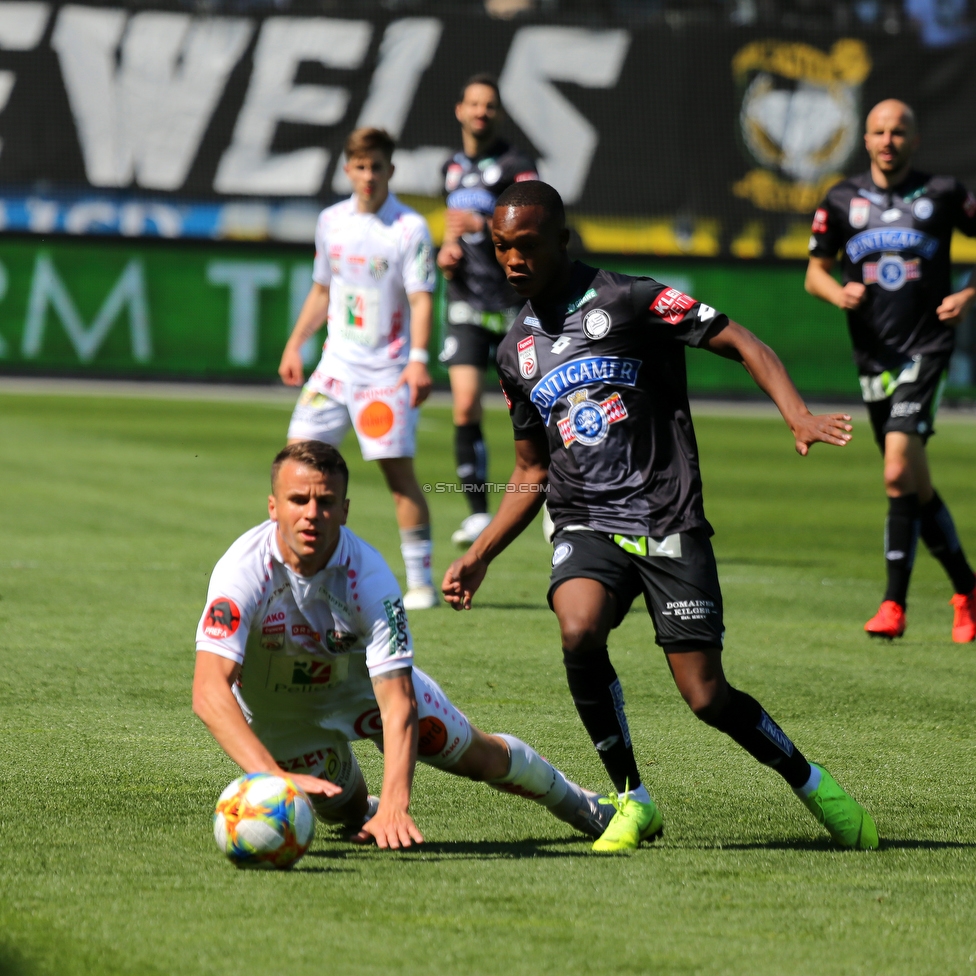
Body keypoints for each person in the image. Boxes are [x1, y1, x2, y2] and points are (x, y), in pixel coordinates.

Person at [442, 180, 879, 853]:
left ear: (562, 241)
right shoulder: (514, 351)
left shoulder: (632, 298)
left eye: (526, 246)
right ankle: (632, 798)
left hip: (666, 516)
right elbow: (531, 470)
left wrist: (797, 413)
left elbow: (740, 339)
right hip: (584, 519)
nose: (512, 261)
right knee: (579, 626)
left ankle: (810, 779)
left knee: (706, 698)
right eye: (502, 249)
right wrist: (481, 555)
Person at [192, 441, 613, 850]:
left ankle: (583, 805)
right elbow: (210, 691)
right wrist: (270, 778)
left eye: (325, 502)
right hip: (283, 719)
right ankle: (361, 806)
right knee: (343, 810)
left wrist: (397, 803)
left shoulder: (368, 577)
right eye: (298, 500)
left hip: (364, 698)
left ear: (344, 509)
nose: (311, 514)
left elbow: (396, 701)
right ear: (273, 507)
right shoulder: (242, 570)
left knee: (476, 757)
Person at [806, 99, 976, 642]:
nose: (888, 140)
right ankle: (967, 589)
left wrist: (968, 293)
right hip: (873, 359)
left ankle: (892, 605)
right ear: (865, 138)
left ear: (915, 139)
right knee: (914, 485)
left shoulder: (945, 193)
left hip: (926, 348)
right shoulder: (840, 197)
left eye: (899, 131)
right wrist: (839, 292)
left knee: (898, 468)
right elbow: (816, 272)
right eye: (879, 131)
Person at [278, 127, 438, 611]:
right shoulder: (331, 221)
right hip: (334, 369)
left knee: (397, 475)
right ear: (348, 169)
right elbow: (323, 290)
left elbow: (421, 299)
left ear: (391, 170)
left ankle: (421, 582)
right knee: (296, 463)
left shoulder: (409, 228)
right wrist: (295, 344)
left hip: (384, 376)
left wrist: (418, 361)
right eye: (360, 167)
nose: (369, 176)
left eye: (377, 167)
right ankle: (292, 568)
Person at [437, 74, 538, 547]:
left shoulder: (518, 165)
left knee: (537, 408)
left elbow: (536, 223)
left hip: (514, 304)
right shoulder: (450, 168)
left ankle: (558, 501)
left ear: (497, 113)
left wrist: (487, 223)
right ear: (459, 110)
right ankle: (478, 513)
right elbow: (452, 230)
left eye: (489, 105)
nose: (481, 112)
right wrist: (448, 250)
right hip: (465, 301)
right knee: (464, 405)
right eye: (473, 103)